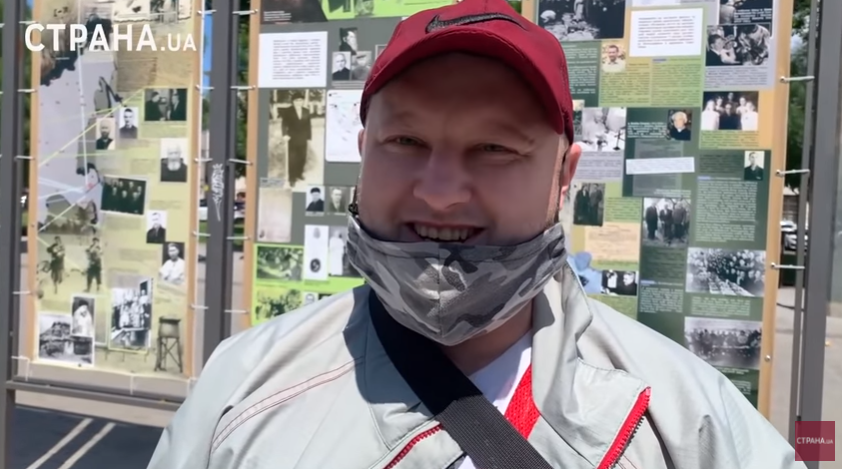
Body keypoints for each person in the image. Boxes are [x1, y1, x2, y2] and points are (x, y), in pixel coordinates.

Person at [148, 0, 804, 467]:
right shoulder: (245, 386)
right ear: (364, 151)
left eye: (494, 148)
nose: (440, 190)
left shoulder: (686, 421)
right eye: (406, 141)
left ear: (564, 174)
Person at [283, 93, 313, 185]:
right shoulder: (288, 111)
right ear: (293, 101)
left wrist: (309, 137)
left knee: (302, 157)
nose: (299, 102)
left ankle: (299, 174)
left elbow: (308, 125)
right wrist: (285, 134)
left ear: (303, 101)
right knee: (292, 159)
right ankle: (292, 178)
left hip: (303, 138)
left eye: (300, 100)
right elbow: (284, 124)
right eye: (296, 100)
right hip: (292, 138)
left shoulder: (306, 111)